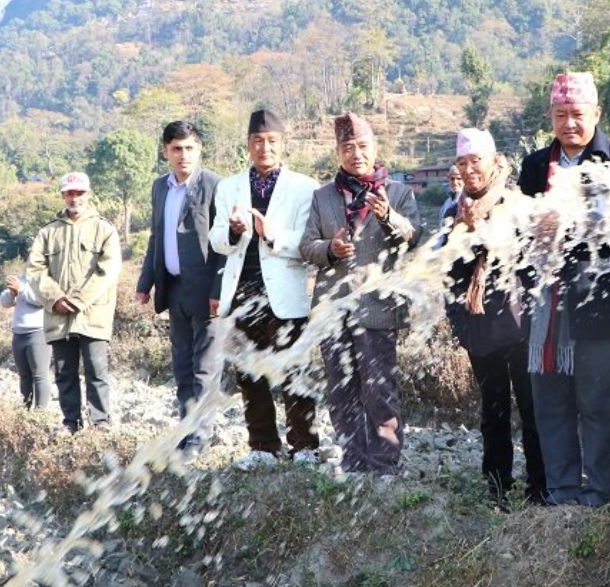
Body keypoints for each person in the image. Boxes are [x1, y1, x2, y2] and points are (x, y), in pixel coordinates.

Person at [518, 72, 610, 507]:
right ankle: (562, 489)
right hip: (547, 301)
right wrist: (536, 230)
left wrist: (577, 226)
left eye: (578, 115)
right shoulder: (535, 166)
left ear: (596, 115)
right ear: (550, 116)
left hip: (599, 298)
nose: (570, 124)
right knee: (550, 401)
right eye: (561, 115)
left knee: (599, 401)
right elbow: (517, 231)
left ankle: (598, 490)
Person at [299, 113, 420, 475]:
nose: (356, 154)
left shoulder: (397, 192)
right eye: (348, 148)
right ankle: (354, 462)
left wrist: (388, 218)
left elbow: (413, 237)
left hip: (378, 307)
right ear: (338, 152)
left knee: (379, 389)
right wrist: (330, 249)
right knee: (341, 390)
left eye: (363, 147)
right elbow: (307, 246)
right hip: (333, 309)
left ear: (375, 148)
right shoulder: (322, 196)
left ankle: (385, 465)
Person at [210, 110, 320, 469]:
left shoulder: (304, 187)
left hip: (285, 291)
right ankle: (263, 446)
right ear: (248, 145)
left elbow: (307, 242)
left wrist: (269, 232)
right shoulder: (228, 188)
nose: (264, 147)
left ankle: (305, 445)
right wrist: (233, 231)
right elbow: (215, 241)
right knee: (249, 372)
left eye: (271, 141)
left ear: (283, 143)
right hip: (242, 292)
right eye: (257, 141)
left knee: (294, 370)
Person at [442, 127, 545, 503]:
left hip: (519, 322)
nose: (470, 170)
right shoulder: (454, 211)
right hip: (481, 326)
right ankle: (498, 487)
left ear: (494, 162)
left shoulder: (516, 203)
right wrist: (462, 232)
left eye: (476, 161)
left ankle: (540, 486)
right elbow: (450, 271)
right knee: (494, 409)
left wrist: (479, 230)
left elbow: (524, 256)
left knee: (531, 406)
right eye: (463, 163)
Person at [135, 121, 223, 453]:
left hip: (207, 293)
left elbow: (229, 244)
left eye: (189, 148)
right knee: (182, 364)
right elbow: (156, 237)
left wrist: (219, 289)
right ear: (165, 152)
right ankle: (187, 430)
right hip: (173, 289)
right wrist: (145, 283)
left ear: (199, 150)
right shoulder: (161, 188)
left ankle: (200, 437)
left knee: (204, 366)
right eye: (176, 148)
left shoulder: (216, 186)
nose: (183, 155)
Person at [28, 172, 123, 433]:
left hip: (93, 314)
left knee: (97, 370)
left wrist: (78, 300)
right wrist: (54, 298)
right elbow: (35, 270)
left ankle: (100, 422)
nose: (75, 198)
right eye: (70, 193)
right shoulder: (48, 232)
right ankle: (70, 422)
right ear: (63, 196)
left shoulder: (105, 229)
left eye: (79, 193)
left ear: (88, 194)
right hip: (58, 316)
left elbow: (108, 270)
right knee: (64, 373)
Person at [0, 273, 51, 410]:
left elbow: (42, 300)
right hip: (18, 333)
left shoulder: (46, 278)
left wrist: (21, 290)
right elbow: (4, 302)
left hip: (38, 332)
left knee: (40, 375)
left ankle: (40, 413)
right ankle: (25, 411)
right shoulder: (21, 278)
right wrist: (12, 292)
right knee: (24, 375)